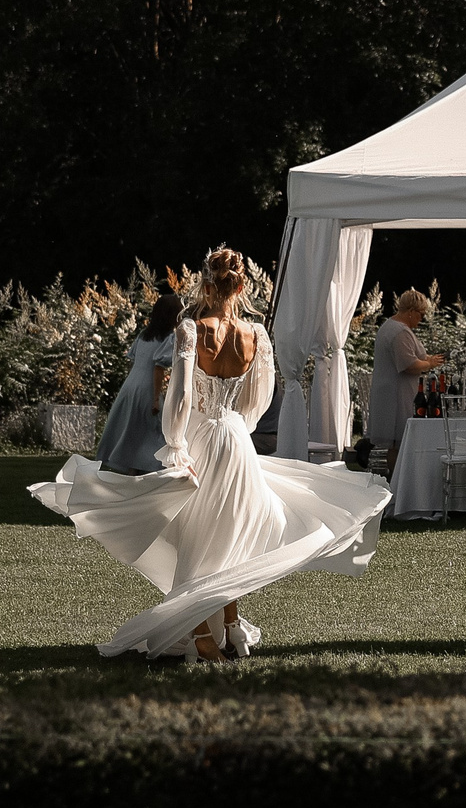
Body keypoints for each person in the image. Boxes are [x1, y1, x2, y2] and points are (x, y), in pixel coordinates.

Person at [30, 247, 389, 661]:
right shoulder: (256, 334)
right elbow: (260, 397)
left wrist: (175, 442)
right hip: (235, 440)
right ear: (241, 285)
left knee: (197, 540)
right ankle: (232, 628)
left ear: (205, 282)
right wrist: (239, 426)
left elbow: (180, 396)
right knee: (230, 537)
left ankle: (202, 635)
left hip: (200, 439)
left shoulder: (189, 329)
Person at [100, 292, 183, 475]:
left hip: (131, 385)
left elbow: (135, 360)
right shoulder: (169, 338)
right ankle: (149, 472)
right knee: (155, 431)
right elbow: (158, 367)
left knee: (133, 429)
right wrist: (155, 399)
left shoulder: (144, 335)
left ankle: (132, 470)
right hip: (146, 387)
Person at [366, 289, 444, 477]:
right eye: (421, 314)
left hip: (392, 391)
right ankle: (398, 480)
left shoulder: (391, 327)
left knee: (397, 443)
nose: (421, 319)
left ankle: (398, 479)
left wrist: (426, 358)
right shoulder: (399, 332)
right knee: (400, 441)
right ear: (411, 311)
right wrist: (430, 363)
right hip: (397, 395)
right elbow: (408, 364)